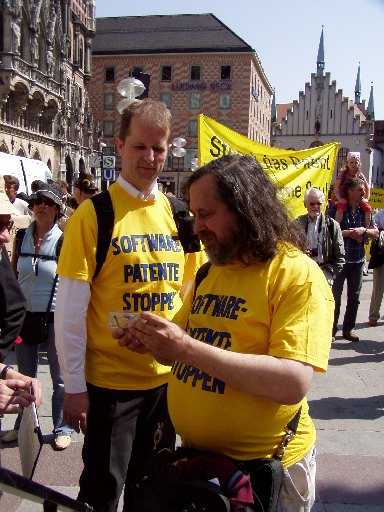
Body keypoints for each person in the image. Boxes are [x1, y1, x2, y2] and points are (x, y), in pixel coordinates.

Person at [115, 154, 335, 512]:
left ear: (244, 209)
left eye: (206, 214)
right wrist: (153, 343)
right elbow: (175, 351)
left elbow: (292, 382)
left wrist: (185, 348)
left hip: (266, 472)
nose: (196, 226)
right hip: (202, 468)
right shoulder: (211, 270)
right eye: (193, 214)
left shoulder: (297, 274)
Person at [55, 99, 206, 512]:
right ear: (119, 145)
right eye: (140, 146)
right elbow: (68, 310)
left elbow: (192, 292)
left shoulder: (179, 215)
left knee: (155, 495)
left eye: (158, 148)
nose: (150, 157)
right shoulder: (94, 215)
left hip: (164, 385)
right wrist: (74, 388)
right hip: (109, 389)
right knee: (101, 495)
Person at [2, 184, 74, 449]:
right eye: (38, 201)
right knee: (23, 376)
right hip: (25, 317)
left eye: (49, 202)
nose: (42, 205)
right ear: (32, 206)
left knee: (59, 377)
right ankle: (22, 427)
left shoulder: (64, 240)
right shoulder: (21, 237)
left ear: (57, 210)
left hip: (54, 316)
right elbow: (13, 273)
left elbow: (69, 281)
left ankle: (62, 427)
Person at [332, 177, 379, 342]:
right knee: (335, 297)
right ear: (350, 192)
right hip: (339, 261)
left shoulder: (365, 210)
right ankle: (331, 331)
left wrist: (362, 231)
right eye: (360, 190)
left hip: (358, 261)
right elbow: (328, 230)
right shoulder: (337, 209)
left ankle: (348, 329)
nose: (363, 193)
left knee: (354, 297)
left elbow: (375, 233)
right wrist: (350, 233)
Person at [295, 187, 345, 286]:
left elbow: (340, 256)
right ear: (305, 204)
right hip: (303, 274)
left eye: (319, 203)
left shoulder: (332, 225)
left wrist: (331, 274)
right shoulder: (297, 224)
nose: (316, 206)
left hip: (324, 274)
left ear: (324, 204)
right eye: (312, 204)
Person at [334, 152, 371, 229]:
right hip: (344, 196)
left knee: (368, 209)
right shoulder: (343, 174)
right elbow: (336, 186)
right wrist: (340, 198)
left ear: (359, 164)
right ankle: (336, 227)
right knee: (340, 208)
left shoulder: (359, 175)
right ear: (347, 164)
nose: (353, 164)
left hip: (357, 198)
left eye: (356, 162)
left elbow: (367, 187)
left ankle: (367, 228)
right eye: (351, 162)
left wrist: (366, 198)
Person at [368, 208, 384, 326]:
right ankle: (374, 316)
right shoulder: (380, 214)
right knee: (378, 286)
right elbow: (374, 230)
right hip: (381, 255)